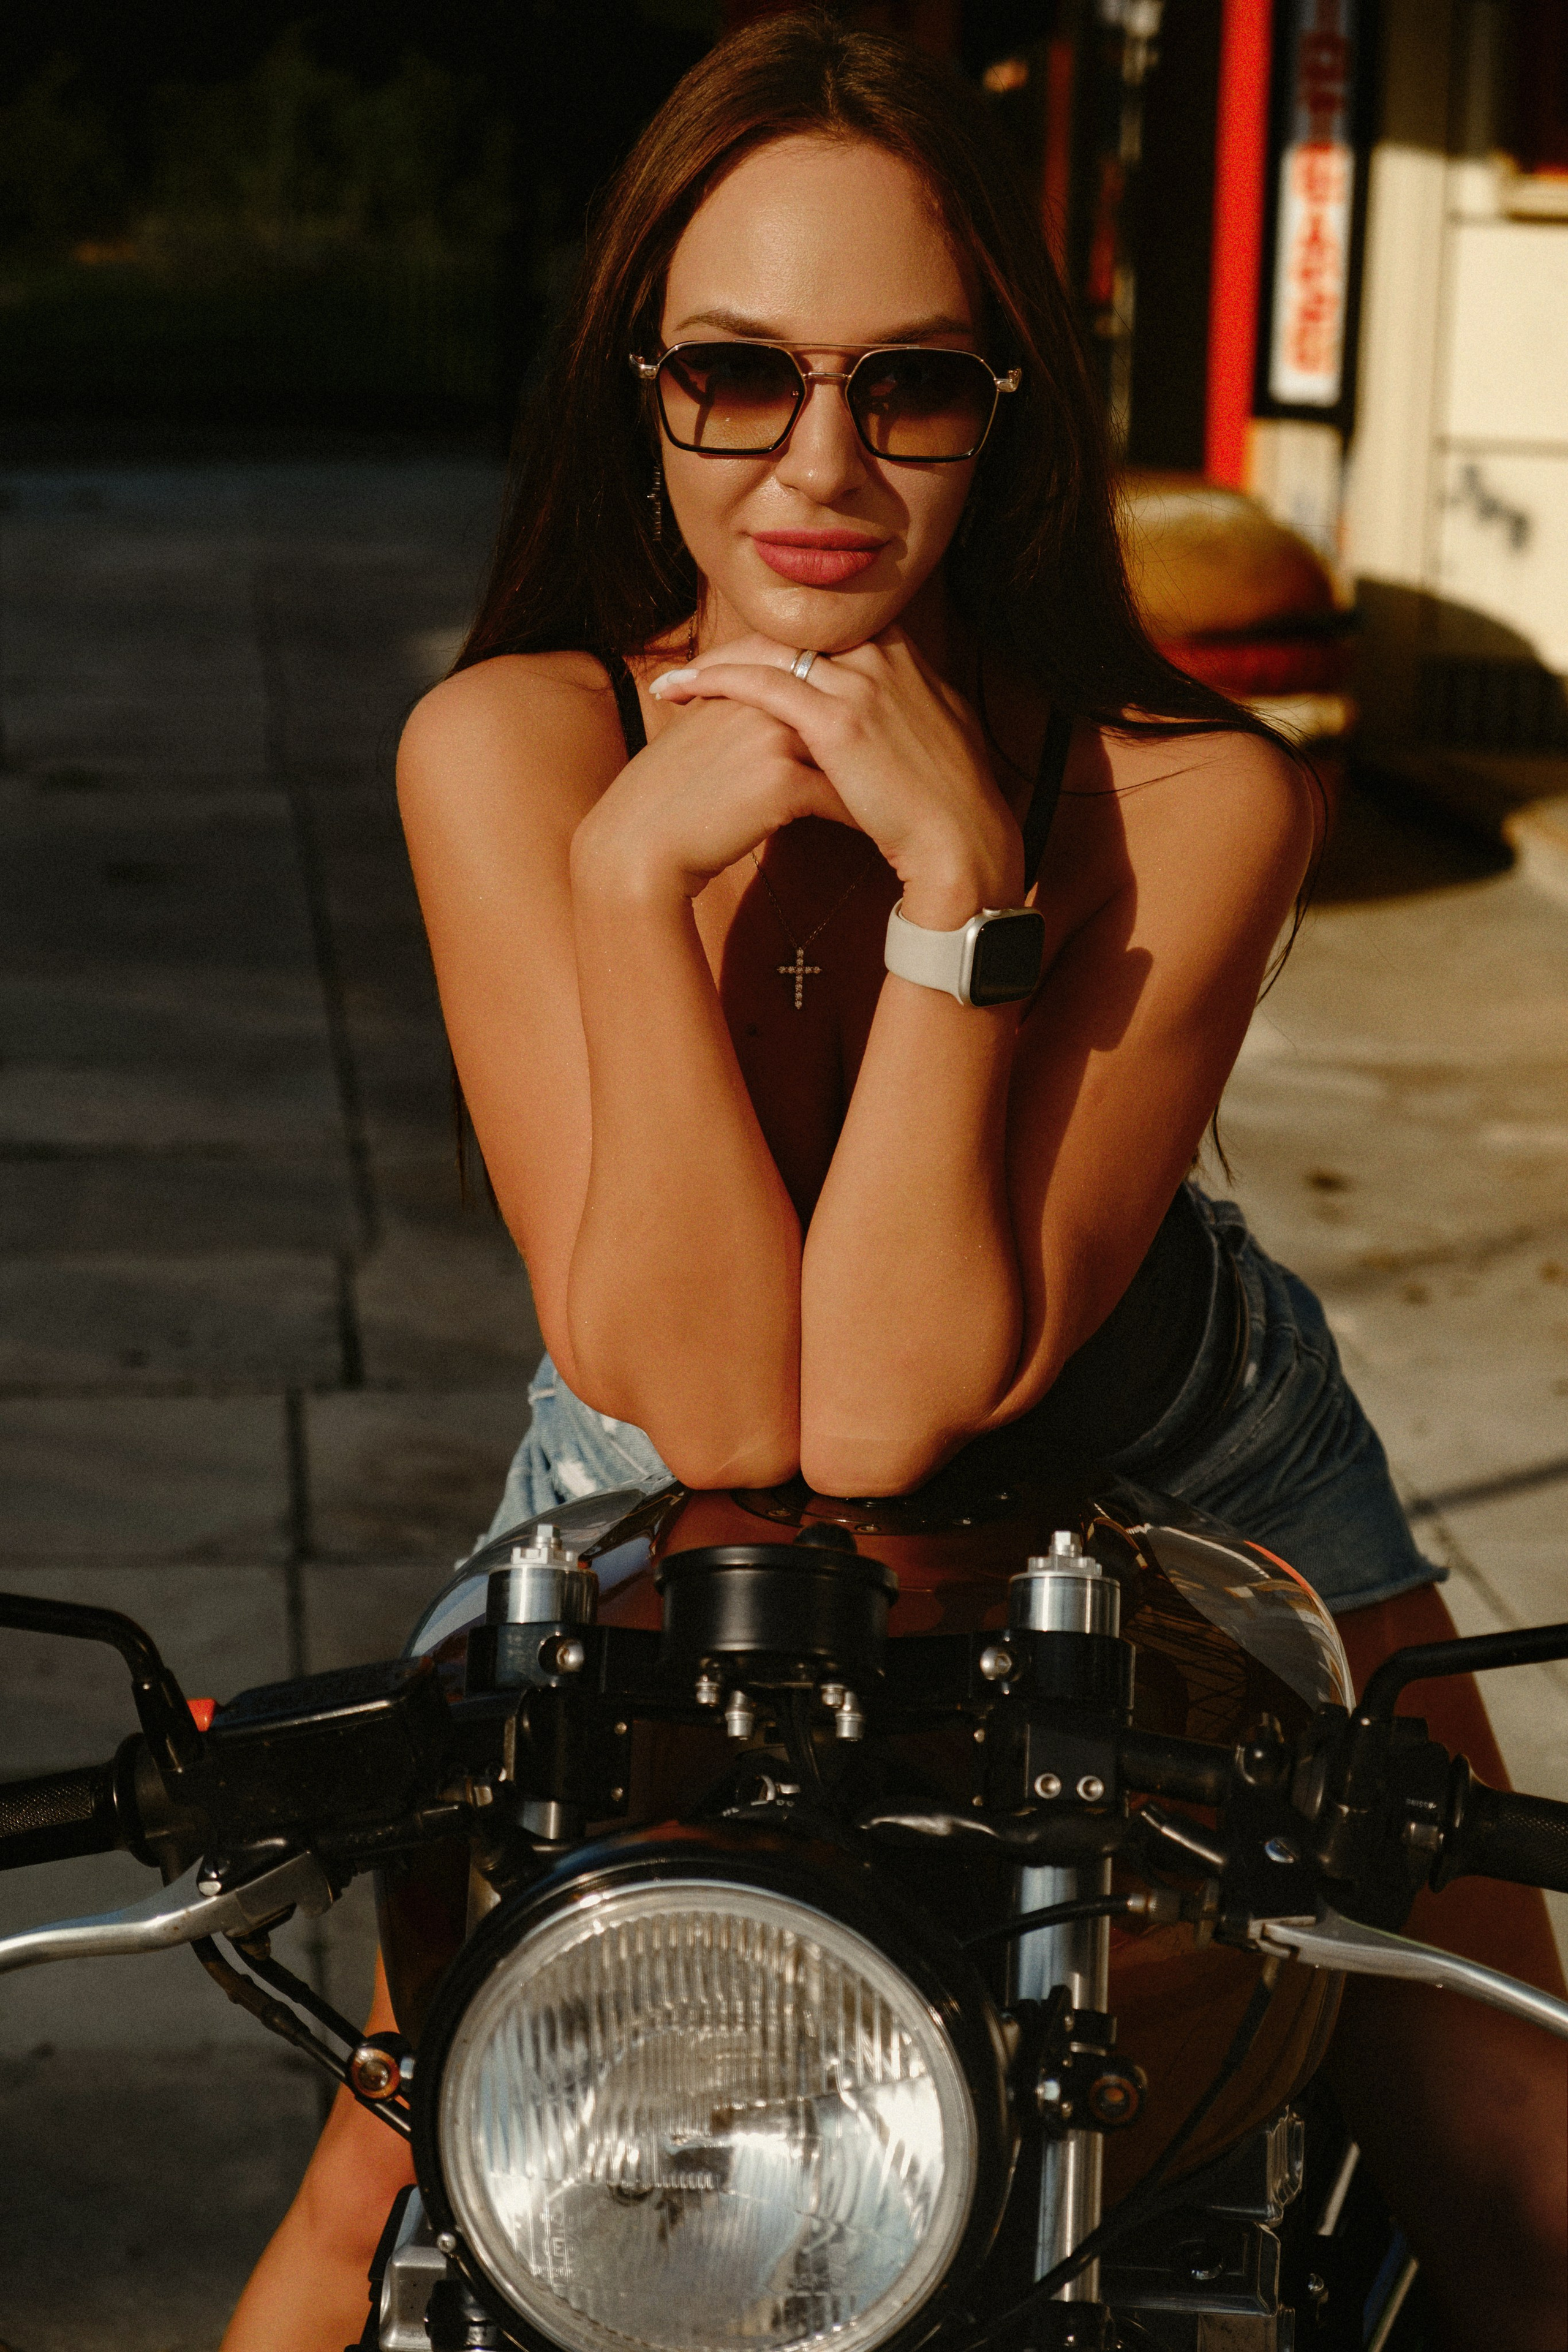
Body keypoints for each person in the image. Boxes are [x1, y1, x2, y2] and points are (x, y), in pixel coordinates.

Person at [222, 15, 1566, 2351]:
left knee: (1528, 2182)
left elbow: (894, 1406)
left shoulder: (1190, 796)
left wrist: (960, 882)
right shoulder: (515, 746)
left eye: (910, 385)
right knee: (391, 2202)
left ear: (1009, 408)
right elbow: (714, 1408)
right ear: (641, 390)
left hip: (1180, 1461)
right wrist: (637, 889)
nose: (818, 461)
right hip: (647, 1478)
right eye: (739, 374)